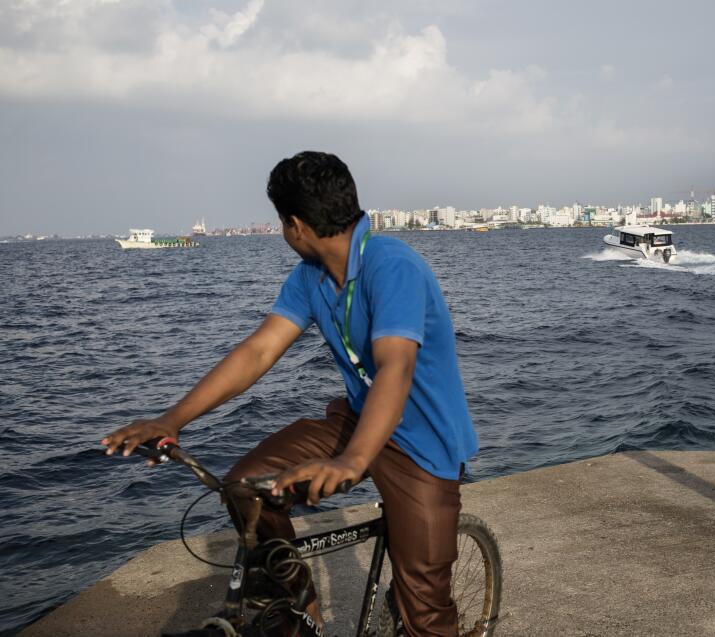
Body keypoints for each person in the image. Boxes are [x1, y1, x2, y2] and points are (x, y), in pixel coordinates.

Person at [102, 151, 479, 637]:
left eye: (281, 222)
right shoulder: (311, 278)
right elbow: (258, 352)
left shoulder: (392, 265)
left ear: (296, 225)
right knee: (248, 489)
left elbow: (395, 365)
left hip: (424, 446)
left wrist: (351, 461)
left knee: (425, 614)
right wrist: (174, 419)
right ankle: (300, 612)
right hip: (358, 421)